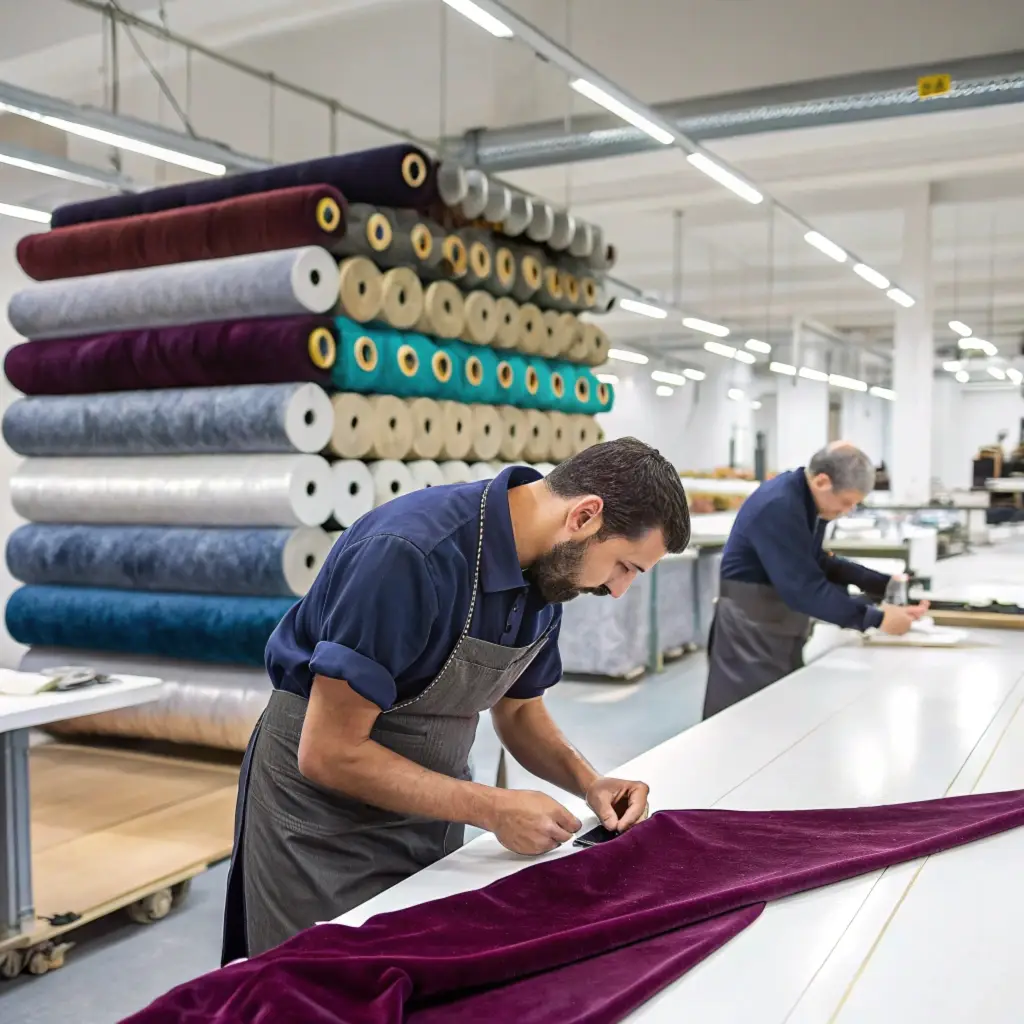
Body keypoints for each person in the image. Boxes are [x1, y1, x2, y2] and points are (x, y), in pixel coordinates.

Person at [222, 437, 691, 961]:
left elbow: (518, 711)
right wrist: (490, 807)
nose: (619, 589)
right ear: (584, 516)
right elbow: (329, 752)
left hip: (427, 806)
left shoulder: (548, 574)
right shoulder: (410, 554)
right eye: (625, 566)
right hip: (320, 819)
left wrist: (590, 783)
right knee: (324, 985)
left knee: (414, 973)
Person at [702, 442, 929, 720]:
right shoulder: (780, 505)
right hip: (750, 632)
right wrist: (877, 619)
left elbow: (815, 561)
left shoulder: (806, 501)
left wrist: (884, 585)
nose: (845, 511)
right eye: (846, 503)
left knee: (778, 719)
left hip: (778, 627)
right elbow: (805, 589)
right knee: (744, 722)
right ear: (822, 481)